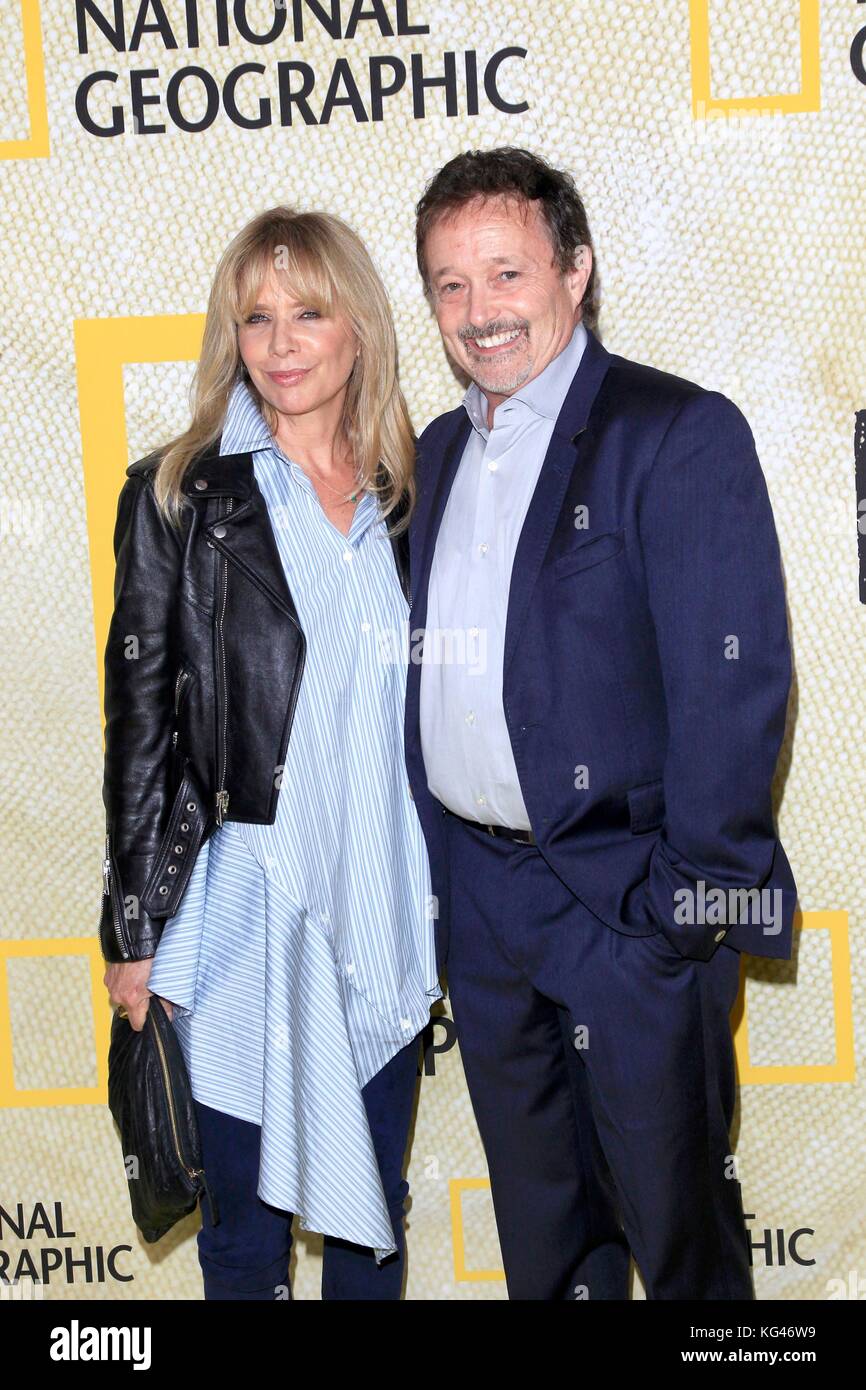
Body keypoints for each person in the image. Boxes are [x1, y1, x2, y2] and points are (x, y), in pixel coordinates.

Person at [404, 146, 798, 1300]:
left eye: (505, 273)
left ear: (574, 273)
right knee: (549, 1252)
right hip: (485, 913)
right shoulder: (436, 450)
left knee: (679, 1245)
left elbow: (736, 690)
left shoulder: (676, 434)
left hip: (626, 909)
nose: (479, 312)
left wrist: (677, 917)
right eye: (448, 283)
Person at [101, 206, 441, 1300]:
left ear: (359, 331)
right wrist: (132, 927)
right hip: (246, 909)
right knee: (245, 1236)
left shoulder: (410, 497)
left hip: (383, 899)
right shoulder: (179, 495)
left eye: (308, 312)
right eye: (255, 317)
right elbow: (139, 723)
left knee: (368, 1224)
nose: (281, 342)